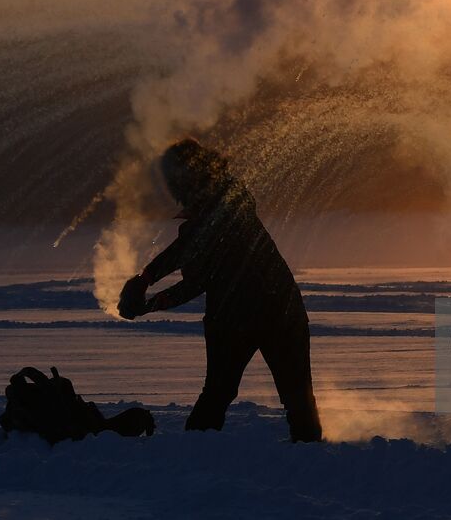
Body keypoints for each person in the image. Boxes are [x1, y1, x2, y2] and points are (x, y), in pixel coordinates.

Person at [116, 138, 322, 442]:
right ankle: (310, 459)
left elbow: (192, 258)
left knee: (226, 394)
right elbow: (195, 272)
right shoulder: (228, 201)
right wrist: (148, 294)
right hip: (275, 309)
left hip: (245, 315)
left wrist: (147, 283)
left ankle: (197, 456)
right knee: (279, 396)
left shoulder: (228, 203)